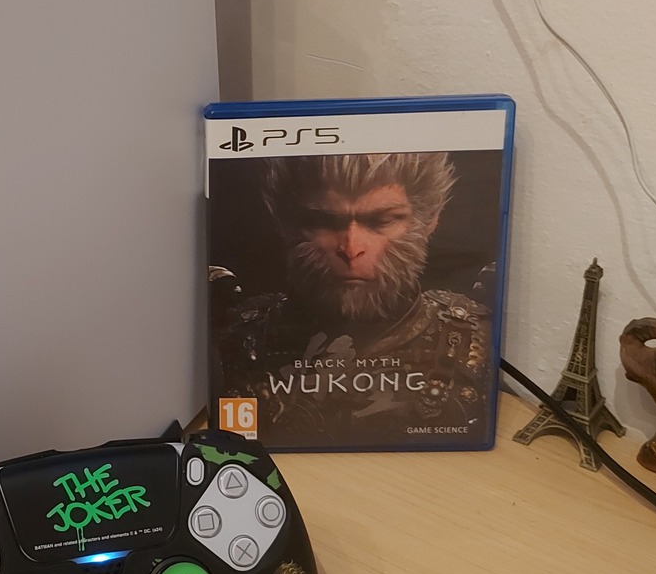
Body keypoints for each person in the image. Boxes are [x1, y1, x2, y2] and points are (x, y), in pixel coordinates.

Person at [211, 151, 492, 445]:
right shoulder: (239, 337)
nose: (351, 248)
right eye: (323, 221)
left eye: (382, 220)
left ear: (429, 220)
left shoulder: (475, 337)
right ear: (285, 221)